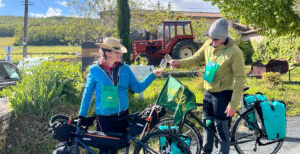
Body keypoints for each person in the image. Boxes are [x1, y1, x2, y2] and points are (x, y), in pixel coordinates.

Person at [170, 18, 246, 154]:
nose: (213, 42)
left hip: (223, 94)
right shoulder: (208, 45)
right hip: (209, 93)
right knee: (207, 125)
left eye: (215, 40)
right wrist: (179, 63)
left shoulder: (235, 52)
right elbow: (195, 59)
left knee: (221, 131)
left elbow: (240, 78)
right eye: (211, 38)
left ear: (224, 38)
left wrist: (233, 104)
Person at [79, 37, 163, 154]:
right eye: (117, 51)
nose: (120, 54)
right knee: (105, 150)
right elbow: (87, 94)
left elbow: (138, 88)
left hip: (123, 116)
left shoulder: (125, 69)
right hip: (104, 118)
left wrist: (152, 75)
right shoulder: (94, 70)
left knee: (118, 148)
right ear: (107, 53)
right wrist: (81, 116)